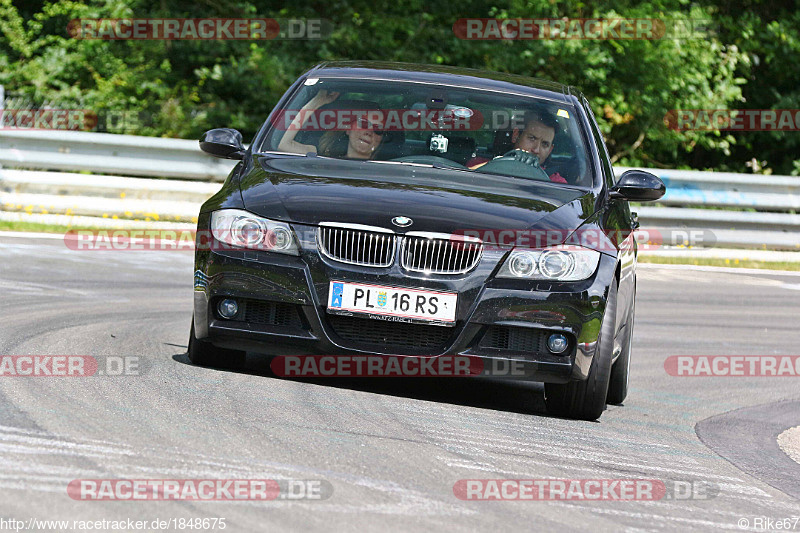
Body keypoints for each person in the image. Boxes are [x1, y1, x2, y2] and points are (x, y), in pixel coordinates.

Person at [277, 89, 384, 159]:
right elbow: (283, 145)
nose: (369, 132)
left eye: (378, 129)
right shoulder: (321, 156)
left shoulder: (389, 171)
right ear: (349, 129)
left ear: (381, 139)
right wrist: (317, 102)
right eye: (364, 124)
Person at [469, 111, 566, 183]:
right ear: (516, 135)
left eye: (545, 144)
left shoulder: (555, 182)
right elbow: (466, 178)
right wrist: (497, 163)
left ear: (550, 150)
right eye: (532, 138)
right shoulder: (480, 164)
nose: (536, 150)